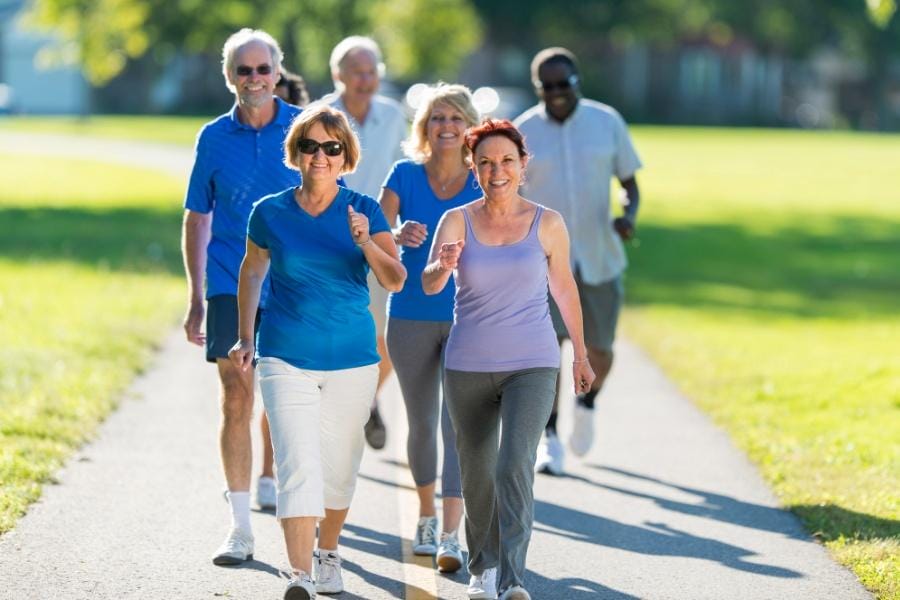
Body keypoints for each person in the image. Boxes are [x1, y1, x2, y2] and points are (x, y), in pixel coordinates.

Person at [229, 105, 406, 599]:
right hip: (285, 354)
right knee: (297, 462)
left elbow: (395, 279)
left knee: (340, 464)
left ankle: (329, 552)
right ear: (297, 152)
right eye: (310, 145)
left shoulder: (364, 209)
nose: (320, 156)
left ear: (345, 155)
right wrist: (246, 336)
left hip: (353, 359)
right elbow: (251, 270)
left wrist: (366, 242)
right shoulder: (269, 211)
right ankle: (299, 573)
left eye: (332, 147)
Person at [423, 119, 595, 600]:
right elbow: (430, 282)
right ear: (473, 169)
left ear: (523, 166)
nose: (496, 170)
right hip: (468, 365)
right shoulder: (456, 220)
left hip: (533, 364)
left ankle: (514, 579)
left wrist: (579, 354)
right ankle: (484, 568)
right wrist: (443, 264)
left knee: (513, 465)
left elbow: (564, 287)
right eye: (484, 163)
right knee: (476, 472)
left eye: (506, 161)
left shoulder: (548, 223)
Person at [181, 28, 302, 565]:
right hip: (231, 280)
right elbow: (197, 216)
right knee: (237, 394)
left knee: (286, 395)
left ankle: (277, 479)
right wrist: (196, 296)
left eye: (262, 69)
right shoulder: (212, 137)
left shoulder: (305, 130)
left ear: (277, 73)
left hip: (296, 283)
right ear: (229, 76)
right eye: (243, 70)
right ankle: (239, 527)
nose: (253, 79)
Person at [513, 47, 642, 476]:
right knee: (549, 352)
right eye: (546, 86)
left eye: (562, 84)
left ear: (577, 81)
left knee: (601, 350)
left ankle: (587, 401)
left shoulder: (606, 121)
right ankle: (549, 437)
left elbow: (629, 183)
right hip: (543, 262)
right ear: (538, 88)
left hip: (599, 257)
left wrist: (628, 215)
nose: (555, 93)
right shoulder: (524, 131)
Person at [379, 83, 481, 572]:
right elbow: (370, 235)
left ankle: (450, 533)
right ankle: (424, 516)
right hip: (411, 316)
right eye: (437, 118)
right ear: (424, 127)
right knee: (421, 420)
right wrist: (396, 235)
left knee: (456, 424)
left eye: (456, 118)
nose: (447, 127)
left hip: (468, 318)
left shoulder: (484, 181)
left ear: (470, 128)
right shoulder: (403, 175)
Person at [321, 36, 408, 450]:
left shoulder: (393, 115)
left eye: (372, 71)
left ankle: (367, 399)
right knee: (340, 333)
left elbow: (405, 174)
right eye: (356, 72)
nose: (365, 79)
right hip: (329, 246)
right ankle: (343, 410)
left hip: (380, 242)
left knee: (387, 338)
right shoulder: (320, 115)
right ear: (339, 75)